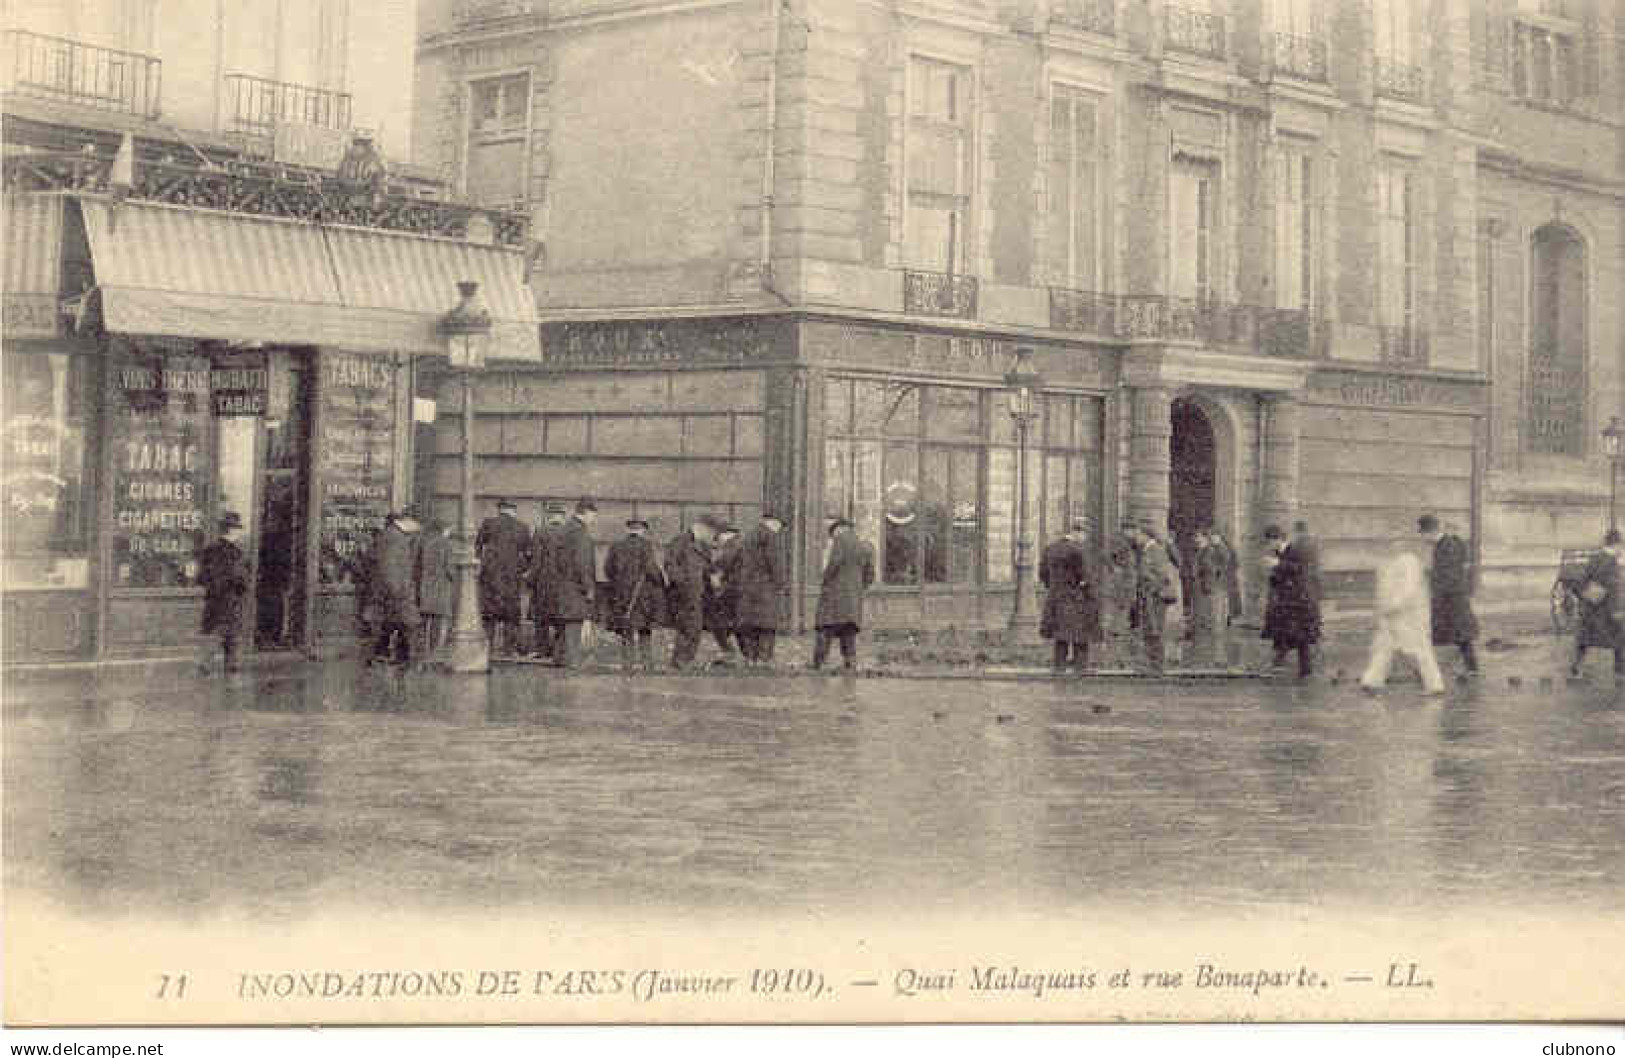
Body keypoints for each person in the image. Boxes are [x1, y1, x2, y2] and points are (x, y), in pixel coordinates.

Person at [1360, 535, 1446, 695]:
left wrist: (1393, 605)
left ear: (1404, 545)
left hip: (1408, 614)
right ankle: (1372, 680)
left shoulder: (1409, 562)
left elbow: (1409, 590)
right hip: (1390, 613)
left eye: (1396, 542)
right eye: (1390, 542)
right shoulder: (1386, 563)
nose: (1392, 546)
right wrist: (1380, 608)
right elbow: (1382, 588)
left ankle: (1435, 684)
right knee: (1382, 646)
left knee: (1418, 649)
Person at [812, 517, 876, 671]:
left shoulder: (840, 540)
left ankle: (818, 664)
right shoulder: (864, 545)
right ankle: (850, 664)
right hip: (853, 597)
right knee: (848, 632)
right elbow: (870, 574)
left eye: (833, 533)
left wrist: (824, 580)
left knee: (825, 629)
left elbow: (834, 563)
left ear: (839, 529)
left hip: (835, 595)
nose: (832, 537)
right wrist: (859, 588)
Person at [603, 516, 666, 671]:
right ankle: (647, 663)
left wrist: (619, 582)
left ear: (628, 529)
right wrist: (661, 581)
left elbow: (608, 569)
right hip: (642, 596)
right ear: (642, 530)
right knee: (644, 630)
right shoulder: (646, 546)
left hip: (621, 595)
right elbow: (651, 570)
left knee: (626, 629)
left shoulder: (616, 546)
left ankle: (627, 663)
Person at [1419, 514, 1479, 677]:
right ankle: (1470, 668)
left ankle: (1467, 668)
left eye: (1423, 534)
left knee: (1458, 634)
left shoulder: (1447, 546)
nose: (1423, 539)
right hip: (1451, 598)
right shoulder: (1445, 544)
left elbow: (1449, 575)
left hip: (1452, 598)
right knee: (1459, 635)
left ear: (1430, 532)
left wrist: (1435, 594)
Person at [1039, 518, 1102, 674]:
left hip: (1056, 597)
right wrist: (1091, 595)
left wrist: (1054, 588)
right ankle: (1080, 668)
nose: (1085, 538)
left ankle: (1059, 667)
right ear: (1078, 532)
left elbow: (1043, 574)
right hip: (1077, 599)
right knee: (1080, 636)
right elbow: (1085, 577)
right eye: (1085, 534)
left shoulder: (1050, 549)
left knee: (1060, 635)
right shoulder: (1078, 551)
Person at [542, 499, 598, 668]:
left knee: (562, 629)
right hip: (575, 589)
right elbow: (583, 563)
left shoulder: (563, 530)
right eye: (593, 516)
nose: (593, 520)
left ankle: (559, 664)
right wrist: (589, 588)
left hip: (559, 588)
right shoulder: (580, 533)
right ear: (586, 512)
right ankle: (572, 667)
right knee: (573, 627)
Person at [1267, 520, 1322, 679]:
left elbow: (1299, 569)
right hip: (1287, 600)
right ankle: (1294, 666)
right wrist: (1273, 572)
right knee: (1290, 633)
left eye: (1270, 542)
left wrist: (1278, 564)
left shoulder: (1294, 550)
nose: (1269, 546)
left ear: (1277, 539)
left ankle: (1305, 670)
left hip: (1298, 600)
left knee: (1300, 636)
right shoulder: (1280, 553)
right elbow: (1281, 576)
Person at [477, 498, 532, 657]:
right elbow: (529, 553)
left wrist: (482, 565)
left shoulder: (488, 523)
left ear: (499, 509)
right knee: (511, 615)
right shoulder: (522, 527)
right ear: (513, 510)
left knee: (488, 615)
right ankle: (509, 649)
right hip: (511, 578)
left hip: (490, 578)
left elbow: (478, 546)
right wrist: (522, 570)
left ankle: (487, 649)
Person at [197, 512, 249, 674]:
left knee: (212, 631)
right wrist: (241, 587)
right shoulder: (235, 553)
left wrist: (212, 587)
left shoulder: (209, 550)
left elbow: (201, 577)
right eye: (237, 530)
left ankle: (206, 664)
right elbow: (238, 577)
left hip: (212, 598)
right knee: (230, 632)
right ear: (232, 531)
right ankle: (230, 665)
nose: (239, 534)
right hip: (229, 598)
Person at [734, 511, 788, 667]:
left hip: (747, 589)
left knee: (749, 625)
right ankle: (763, 660)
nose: (779, 529)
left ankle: (750, 658)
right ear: (773, 522)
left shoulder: (750, 535)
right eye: (779, 526)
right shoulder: (771, 537)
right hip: (766, 589)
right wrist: (781, 584)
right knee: (767, 626)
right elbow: (776, 564)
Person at [369, 510, 422, 667]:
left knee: (394, 624)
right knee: (404, 624)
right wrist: (398, 590)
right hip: (397, 591)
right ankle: (400, 657)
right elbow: (389, 567)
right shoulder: (395, 538)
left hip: (394, 590)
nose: (417, 527)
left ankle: (387, 655)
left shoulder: (395, 536)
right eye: (415, 523)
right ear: (406, 521)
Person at [1571, 529, 1623, 682]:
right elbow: (1614, 589)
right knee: (1620, 637)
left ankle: (1578, 666)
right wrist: (1617, 611)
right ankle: (1620, 671)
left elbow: (1582, 581)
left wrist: (1587, 598)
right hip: (1606, 609)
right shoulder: (1612, 563)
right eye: (1621, 546)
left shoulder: (1594, 558)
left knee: (1585, 638)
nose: (1621, 550)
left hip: (1590, 607)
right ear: (1616, 544)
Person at [665, 515, 716, 670]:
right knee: (687, 627)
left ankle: (686, 659)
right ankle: (680, 660)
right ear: (700, 527)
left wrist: (712, 578)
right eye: (709, 531)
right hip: (684, 593)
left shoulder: (704, 546)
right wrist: (682, 583)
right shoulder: (680, 541)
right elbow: (670, 564)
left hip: (699, 593)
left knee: (695, 627)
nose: (711, 536)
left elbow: (708, 567)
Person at [1133, 522, 1177, 674]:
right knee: (1149, 629)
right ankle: (1151, 664)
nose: (1136, 537)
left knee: (1155, 629)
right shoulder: (1147, 550)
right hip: (1148, 596)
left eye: (1138, 534)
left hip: (1155, 598)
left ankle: (1157, 665)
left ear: (1146, 535)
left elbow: (1163, 575)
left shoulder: (1155, 550)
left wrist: (1151, 586)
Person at [527, 502, 568, 660]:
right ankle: (560, 651)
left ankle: (542, 650)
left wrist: (531, 579)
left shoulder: (541, 532)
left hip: (543, 582)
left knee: (541, 619)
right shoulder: (568, 533)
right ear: (562, 517)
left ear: (549, 516)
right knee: (561, 618)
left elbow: (536, 560)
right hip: (563, 583)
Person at [1191, 528, 1233, 667]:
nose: (1196, 540)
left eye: (1199, 537)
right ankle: (1210, 658)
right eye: (1195, 537)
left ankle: (1218, 658)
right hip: (1205, 590)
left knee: (1215, 623)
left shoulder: (1210, 551)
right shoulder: (1202, 552)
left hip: (1212, 591)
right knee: (1208, 623)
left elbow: (1217, 568)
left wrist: (1210, 580)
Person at [416, 516, 455, 660]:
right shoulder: (445, 544)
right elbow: (449, 569)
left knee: (425, 620)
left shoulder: (424, 541)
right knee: (438, 621)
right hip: (440, 587)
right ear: (444, 529)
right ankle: (433, 652)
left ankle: (422, 650)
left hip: (425, 586)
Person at [703, 522, 742, 665]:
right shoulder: (735, 545)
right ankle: (733, 654)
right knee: (727, 625)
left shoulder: (732, 546)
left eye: (719, 536)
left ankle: (731, 654)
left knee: (721, 625)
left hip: (730, 592)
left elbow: (721, 564)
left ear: (727, 534)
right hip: (733, 591)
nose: (718, 539)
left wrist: (712, 571)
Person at [1101, 531, 1139, 668]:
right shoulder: (1124, 569)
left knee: (1116, 629)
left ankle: (1114, 659)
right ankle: (1116, 660)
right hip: (1121, 600)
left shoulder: (1118, 570)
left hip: (1121, 599)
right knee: (1118, 630)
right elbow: (1128, 585)